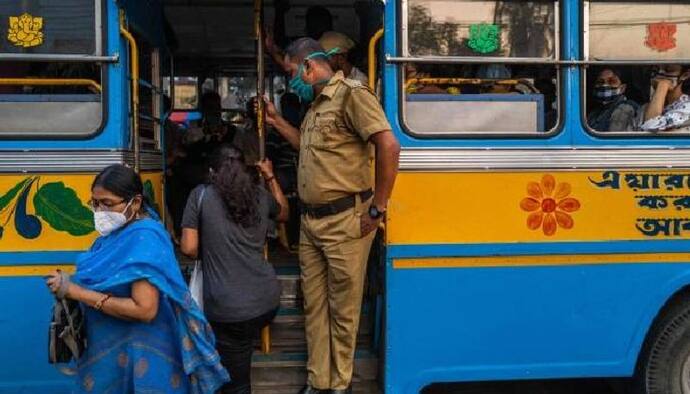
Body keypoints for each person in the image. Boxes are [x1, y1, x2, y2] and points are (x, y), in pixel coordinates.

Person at [262, 38, 400, 394]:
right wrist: (276, 122)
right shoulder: (315, 106)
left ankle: (340, 385)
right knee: (315, 305)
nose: (291, 82)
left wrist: (378, 207)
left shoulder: (353, 95)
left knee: (343, 308)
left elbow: (388, 145)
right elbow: (307, 147)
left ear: (309, 67)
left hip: (346, 220)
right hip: (311, 223)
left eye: (292, 73)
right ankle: (318, 381)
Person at [45, 164, 229, 393]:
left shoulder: (145, 238)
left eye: (108, 203)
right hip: (113, 351)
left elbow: (145, 309)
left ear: (136, 202)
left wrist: (77, 292)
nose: (100, 211)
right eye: (95, 203)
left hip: (143, 352)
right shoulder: (117, 233)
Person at [180, 145, 289, 394]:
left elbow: (188, 247)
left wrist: (215, 247)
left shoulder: (201, 195)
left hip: (229, 308)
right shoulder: (260, 195)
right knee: (237, 354)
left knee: (236, 383)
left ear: (211, 171)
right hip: (267, 299)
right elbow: (283, 213)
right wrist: (270, 176)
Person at [638, 65, 690, 132]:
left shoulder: (687, 107)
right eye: (655, 70)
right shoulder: (645, 108)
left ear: (685, 75)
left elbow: (650, 126)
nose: (659, 75)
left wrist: (662, 85)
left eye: (668, 71)